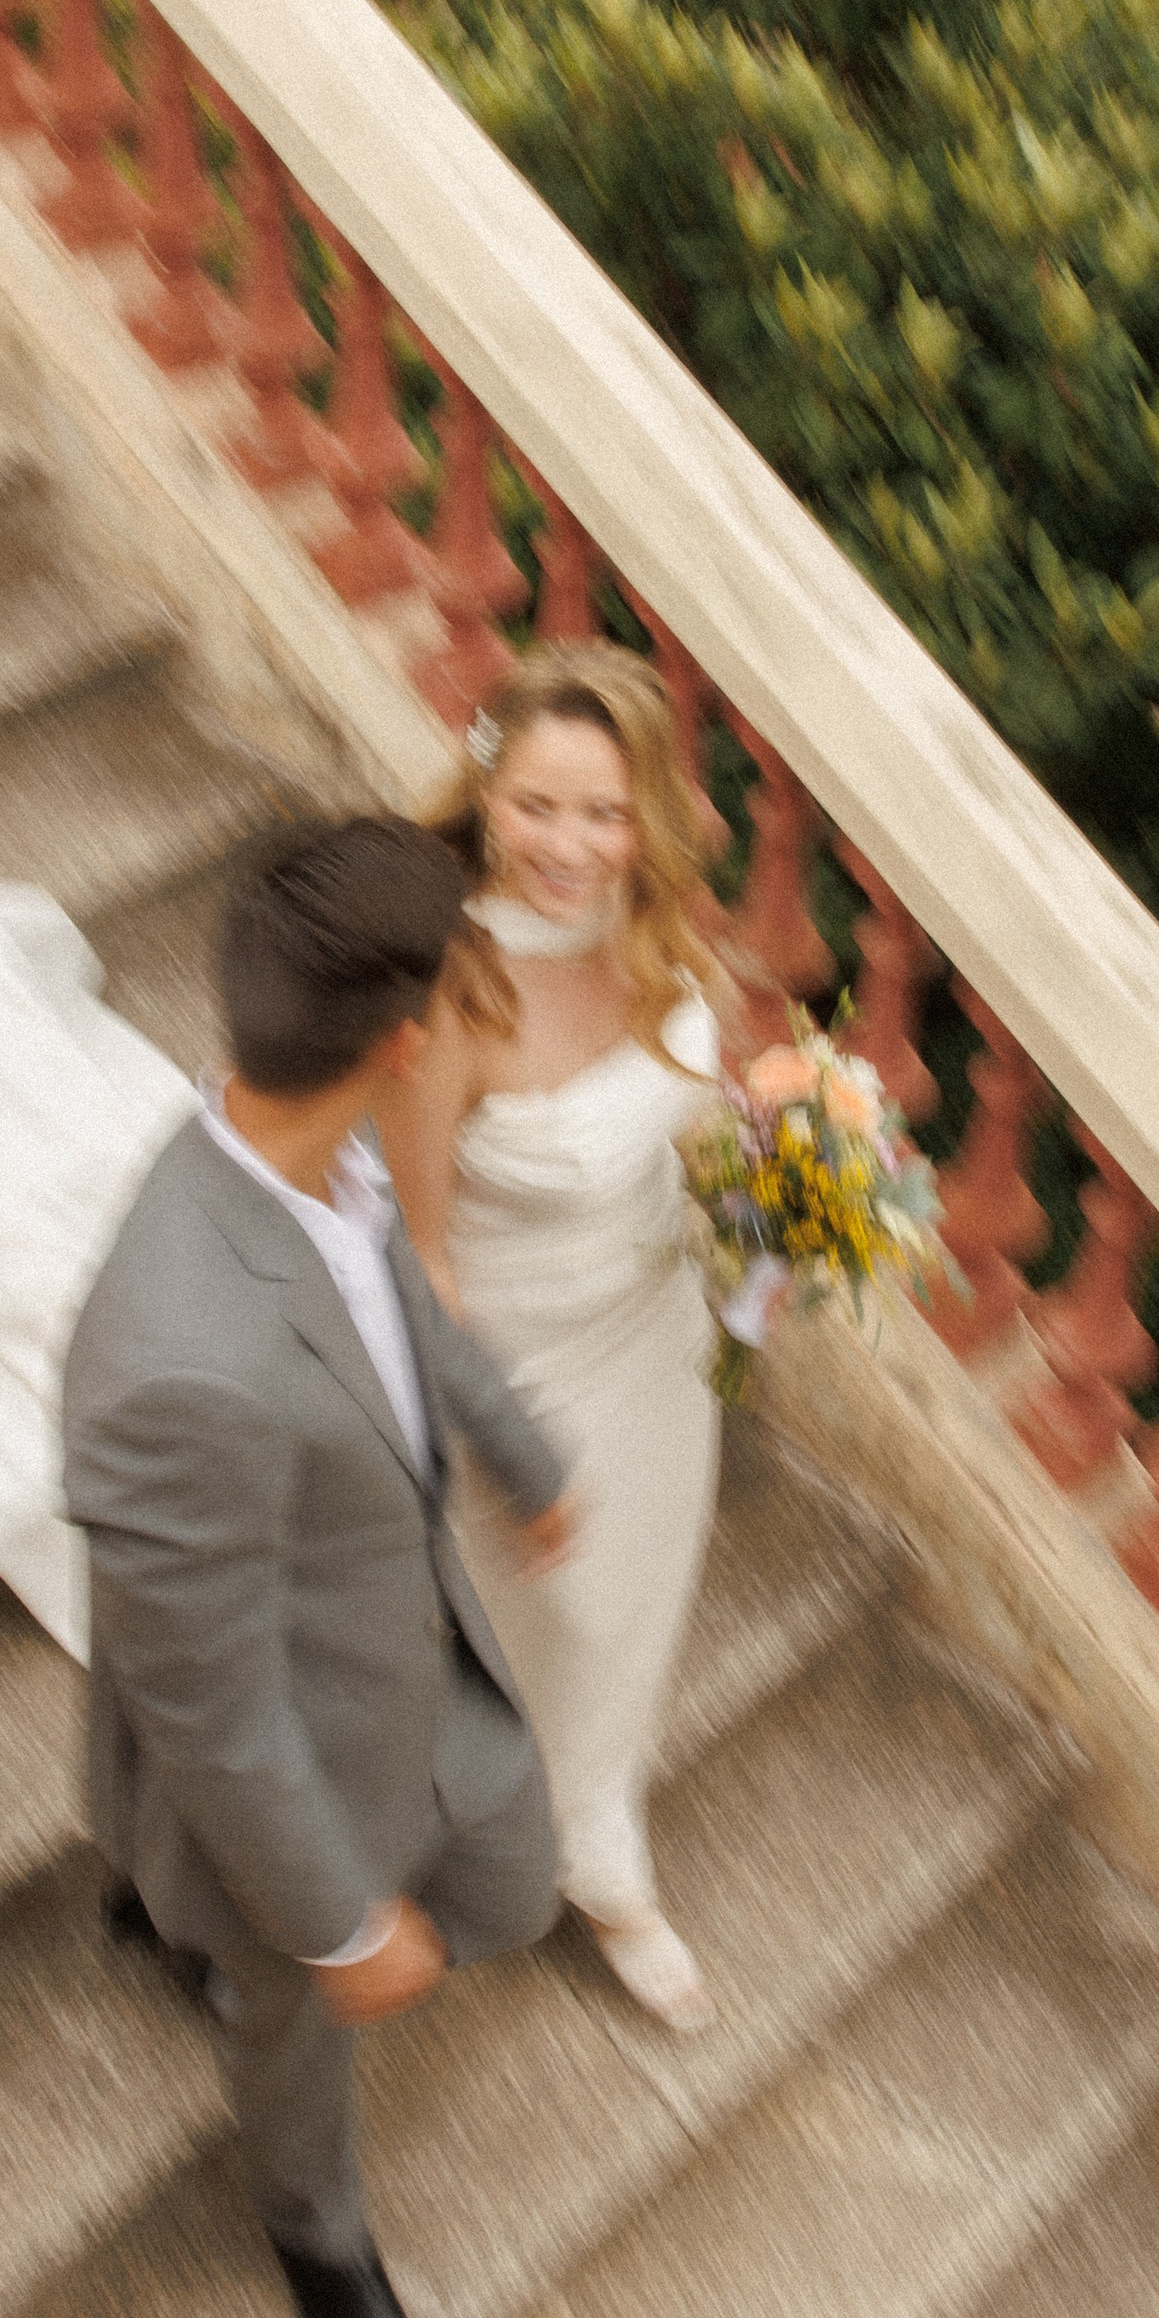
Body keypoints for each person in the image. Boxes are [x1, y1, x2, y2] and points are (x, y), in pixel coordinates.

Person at [62, 814, 574, 2318]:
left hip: (388, 1643)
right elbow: (210, 1707)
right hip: (289, 1748)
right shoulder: (171, 1364)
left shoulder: (321, 1151)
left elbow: (403, 1311)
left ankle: (166, 1905)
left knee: (509, 1870)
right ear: (408, 1042)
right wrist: (343, 1924)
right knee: (289, 2000)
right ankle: (318, 2240)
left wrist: (518, 1453)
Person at [379, 641, 726, 2036]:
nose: (571, 848)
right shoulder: (447, 985)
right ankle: (469, 1833)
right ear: (483, 794)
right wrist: (502, 1450)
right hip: (521, 1370)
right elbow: (421, 1244)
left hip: (666, 1348)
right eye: (537, 807)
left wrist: (796, 1198)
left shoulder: (660, 936)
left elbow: (692, 1125)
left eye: (604, 812)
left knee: (631, 1609)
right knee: (548, 1616)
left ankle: (606, 1842)